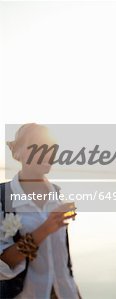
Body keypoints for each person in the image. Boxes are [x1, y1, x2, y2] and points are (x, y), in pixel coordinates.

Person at [0, 123, 79, 298]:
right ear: (17, 153)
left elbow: (63, 261)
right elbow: (3, 265)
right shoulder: (2, 198)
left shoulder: (57, 195)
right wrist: (45, 229)